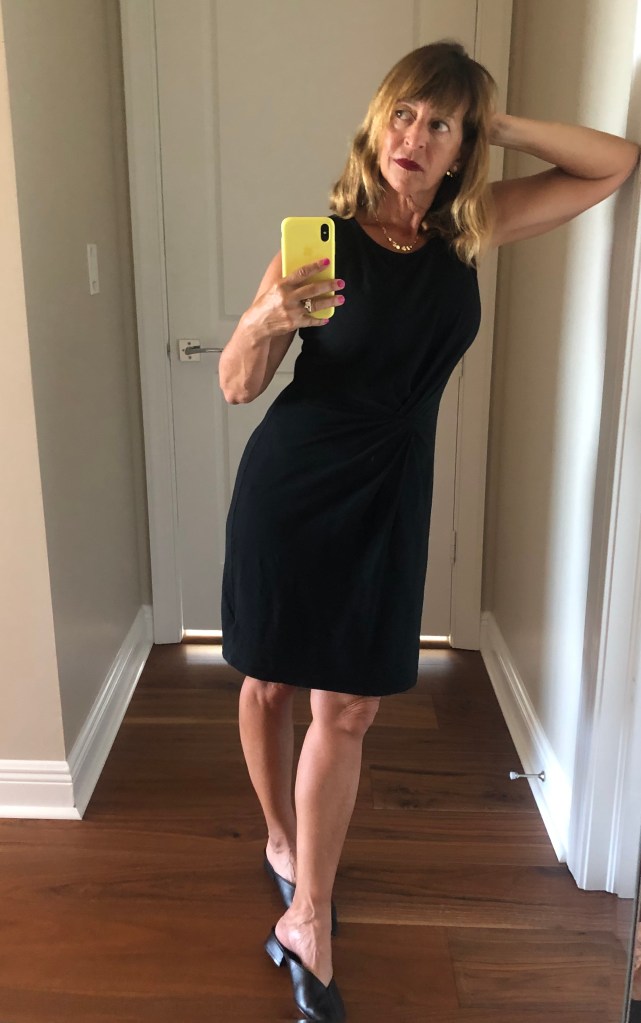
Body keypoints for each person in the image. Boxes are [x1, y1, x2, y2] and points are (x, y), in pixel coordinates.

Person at [218, 41, 639, 1022]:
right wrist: (263, 320)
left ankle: (309, 915)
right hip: (291, 489)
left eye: (440, 123)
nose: (414, 136)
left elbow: (613, 164)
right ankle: (281, 842)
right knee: (269, 682)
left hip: (390, 493)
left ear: (462, 146)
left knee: (349, 708)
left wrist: (497, 119)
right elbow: (238, 386)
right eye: (403, 113)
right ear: (376, 124)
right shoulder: (322, 241)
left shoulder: (468, 230)